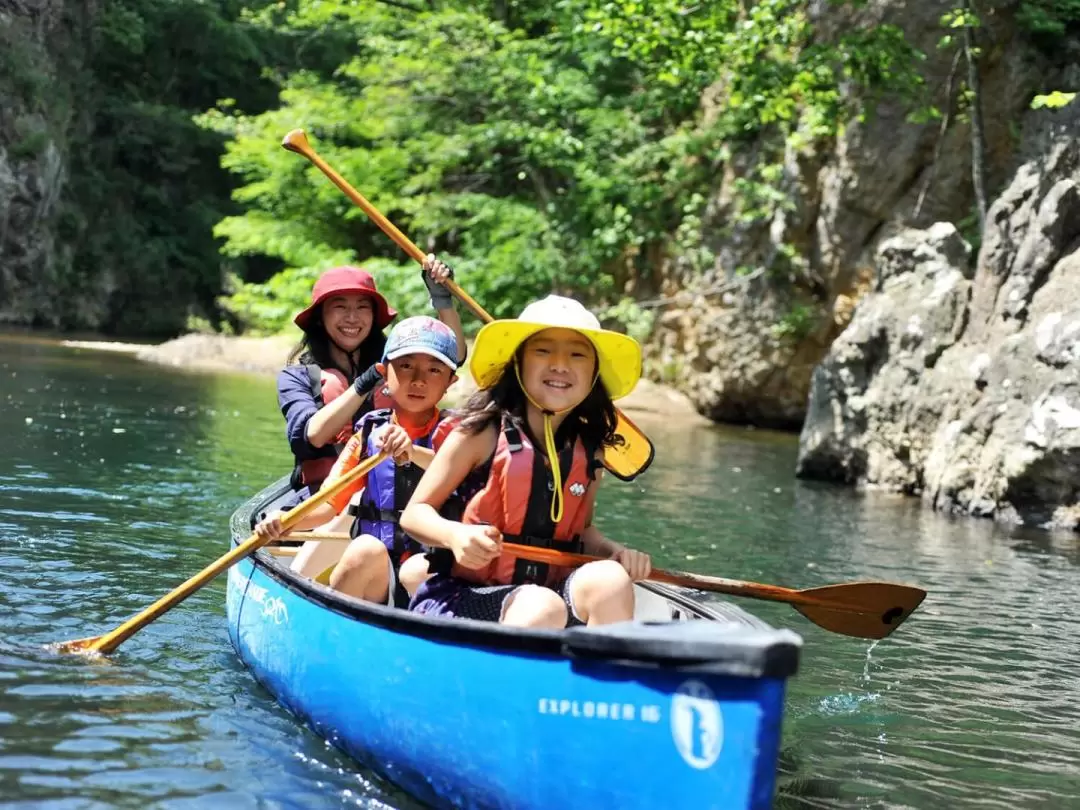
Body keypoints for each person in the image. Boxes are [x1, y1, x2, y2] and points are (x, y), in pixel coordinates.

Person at [400, 295, 652, 629]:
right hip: (464, 594)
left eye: (577, 354)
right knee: (542, 605)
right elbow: (415, 515)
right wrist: (454, 536)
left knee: (611, 580)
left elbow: (583, 530)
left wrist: (615, 552)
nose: (560, 365)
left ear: (594, 373)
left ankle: (604, 677)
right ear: (518, 364)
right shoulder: (481, 432)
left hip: (545, 594)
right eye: (543, 351)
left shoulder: (589, 451)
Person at [256, 316, 461, 607]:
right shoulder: (368, 433)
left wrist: (413, 453)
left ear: (451, 381)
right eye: (405, 366)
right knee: (363, 549)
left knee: (418, 570)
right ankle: (339, 635)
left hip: (433, 574)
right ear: (383, 372)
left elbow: (461, 476)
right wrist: (284, 522)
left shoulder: (460, 435)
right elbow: (328, 504)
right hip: (381, 576)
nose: (418, 380)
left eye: (434, 370)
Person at [277, 257, 466, 496]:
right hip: (324, 494)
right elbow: (313, 435)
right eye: (340, 307)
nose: (352, 318)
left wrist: (443, 300)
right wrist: (362, 385)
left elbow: (451, 357)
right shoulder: (296, 377)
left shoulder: (397, 366)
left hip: (398, 489)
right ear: (319, 317)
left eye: (362, 307)